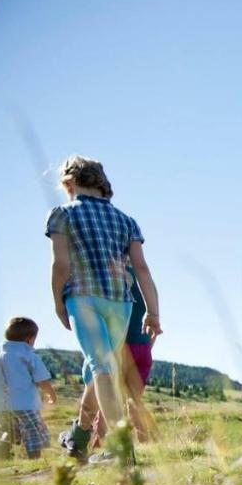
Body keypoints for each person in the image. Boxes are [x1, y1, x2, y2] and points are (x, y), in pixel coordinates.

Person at [47, 155, 162, 464]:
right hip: (121, 302)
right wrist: (153, 311)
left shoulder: (61, 214)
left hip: (83, 298)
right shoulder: (126, 221)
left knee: (100, 368)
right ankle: (79, 436)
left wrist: (59, 303)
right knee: (98, 369)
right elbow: (141, 268)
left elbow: (61, 264)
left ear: (68, 184)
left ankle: (121, 449)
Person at [81, 266, 158, 448]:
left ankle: (99, 444)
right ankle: (147, 444)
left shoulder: (114, 277)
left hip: (122, 348)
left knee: (107, 399)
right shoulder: (145, 286)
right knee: (134, 401)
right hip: (143, 348)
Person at [0, 317, 56, 460]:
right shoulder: (29, 356)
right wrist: (51, 395)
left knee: (10, 429)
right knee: (32, 429)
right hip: (25, 404)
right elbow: (41, 380)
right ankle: (34, 457)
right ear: (29, 339)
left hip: (0, 405)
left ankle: (2, 446)